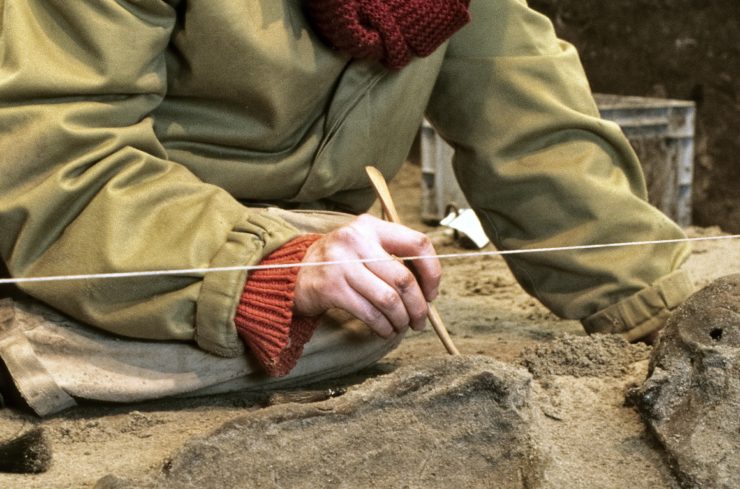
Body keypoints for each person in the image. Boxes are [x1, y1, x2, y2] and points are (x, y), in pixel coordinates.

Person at [0, 0, 694, 414]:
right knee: (362, 298)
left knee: (374, 295)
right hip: (98, 215)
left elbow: (535, 133)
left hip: (276, 234)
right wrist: (262, 266)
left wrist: (667, 307)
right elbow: (47, 153)